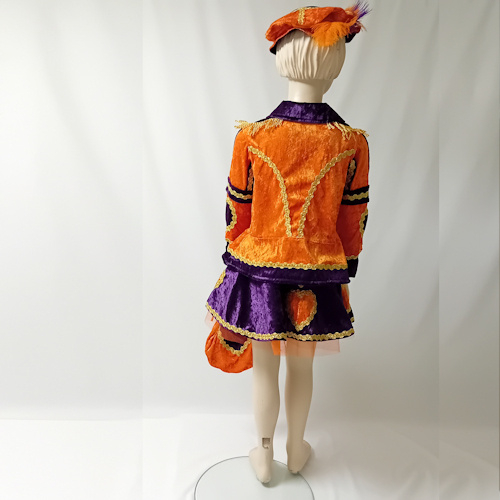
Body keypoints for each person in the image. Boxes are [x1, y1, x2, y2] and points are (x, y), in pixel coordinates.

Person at [205, 4, 371, 484]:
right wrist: (346, 265)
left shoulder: (254, 136)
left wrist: (235, 253)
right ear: (335, 66)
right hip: (318, 270)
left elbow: (238, 209)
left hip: (259, 268)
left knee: (264, 368)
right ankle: (296, 448)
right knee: (302, 368)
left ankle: (263, 452)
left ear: (282, 60)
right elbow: (353, 215)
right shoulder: (351, 142)